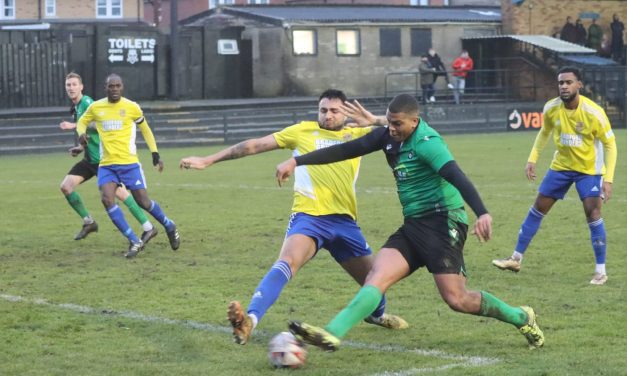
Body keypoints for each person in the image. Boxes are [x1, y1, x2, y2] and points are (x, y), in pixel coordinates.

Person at [276, 94, 544, 352]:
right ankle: (332, 333)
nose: (390, 128)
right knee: (376, 277)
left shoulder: (428, 142)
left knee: (457, 299)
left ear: (414, 122)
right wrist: (296, 160)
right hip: (414, 225)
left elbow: (456, 175)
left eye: (397, 123)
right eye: (389, 122)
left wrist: (482, 212)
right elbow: (346, 150)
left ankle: (522, 317)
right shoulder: (388, 136)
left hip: (444, 222)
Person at [179, 89, 408, 346]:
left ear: (346, 112)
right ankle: (249, 321)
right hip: (309, 218)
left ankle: (376, 316)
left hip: (344, 222)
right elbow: (254, 145)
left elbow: (407, 126)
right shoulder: (302, 131)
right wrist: (208, 160)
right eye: (323, 110)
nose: (328, 116)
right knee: (286, 262)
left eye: (334, 111)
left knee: (375, 281)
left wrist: (376, 120)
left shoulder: (358, 133)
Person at [492, 66, 617, 286]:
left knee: (593, 212)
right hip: (561, 167)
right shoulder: (551, 108)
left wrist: (608, 179)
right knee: (539, 206)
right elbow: (544, 132)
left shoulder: (593, 112)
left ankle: (600, 271)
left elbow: (610, 144)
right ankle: (515, 259)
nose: (564, 86)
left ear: (579, 85)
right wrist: (533, 158)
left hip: (589, 170)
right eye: (561, 83)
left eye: (569, 82)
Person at [76, 74, 180, 258]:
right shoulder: (96, 107)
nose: (114, 89)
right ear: (105, 88)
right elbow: (82, 121)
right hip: (107, 165)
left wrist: (155, 153)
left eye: (118, 86)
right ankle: (134, 240)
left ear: (122, 87)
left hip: (129, 164)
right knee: (107, 199)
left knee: (143, 202)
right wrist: (81, 133)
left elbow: (145, 129)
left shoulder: (131, 107)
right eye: (111, 86)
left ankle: (169, 224)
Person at [59, 72, 156, 243]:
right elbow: (92, 133)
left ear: (81, 87)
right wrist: (81, 147)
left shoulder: (88, 103)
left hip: (104, 160)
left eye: (74, 84)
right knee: (66, 187)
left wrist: (74, 125)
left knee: (122, 195)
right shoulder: (76, 107)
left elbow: (99, 125)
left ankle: (148, 227)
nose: (71, 88)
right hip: (90, 159)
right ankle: (89, 222)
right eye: (68, 85)